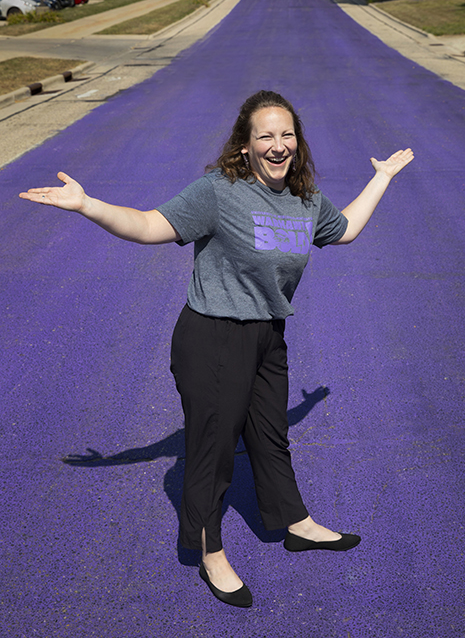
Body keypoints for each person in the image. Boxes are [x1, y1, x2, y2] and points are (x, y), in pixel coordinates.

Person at [19, 90, 414, 608]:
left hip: (267, 336)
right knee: (213, 448)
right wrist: (88, 205)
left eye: (286, 135)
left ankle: (295, 523)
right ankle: (210, 552)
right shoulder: (220, 192)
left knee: (270, 437)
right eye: (265, 136)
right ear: (244, 146)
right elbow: (148, 225)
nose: (278, 146)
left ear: (298, 142)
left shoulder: (304, 199)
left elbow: (344, 232)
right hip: (213, 337)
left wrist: (381, 177)